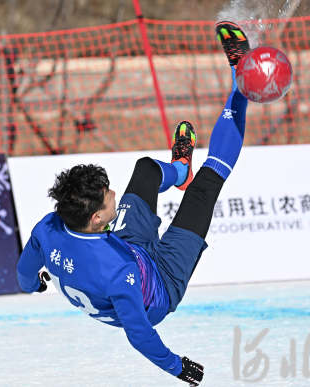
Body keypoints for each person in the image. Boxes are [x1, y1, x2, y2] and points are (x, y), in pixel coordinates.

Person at [17, 21, 252, 386]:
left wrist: (35, 286)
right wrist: (178, 366)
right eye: (109, 194)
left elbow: (23, 275)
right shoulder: (115, 271)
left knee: (144, 170)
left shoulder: (49, 227)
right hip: (161, 281)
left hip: (128, 248)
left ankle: (178, 169)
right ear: (97, 217)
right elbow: (139, 334)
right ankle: (242, 77)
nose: (115, 193)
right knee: (207, 186)